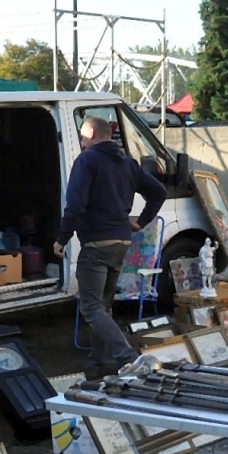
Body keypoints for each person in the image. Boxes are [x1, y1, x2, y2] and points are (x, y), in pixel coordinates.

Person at [54, 116, 168, 377]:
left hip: (96, 242)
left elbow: (75, 205)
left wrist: (62, 238)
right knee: (103, 308)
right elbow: (158, 191)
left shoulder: (87, 160)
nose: (82, 143)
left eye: (83, 138)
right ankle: (99, 365)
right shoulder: (128, 163)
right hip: (121, 242)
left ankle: (128, 356)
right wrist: (141, 222)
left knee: (91, 307)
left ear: (92, 133)